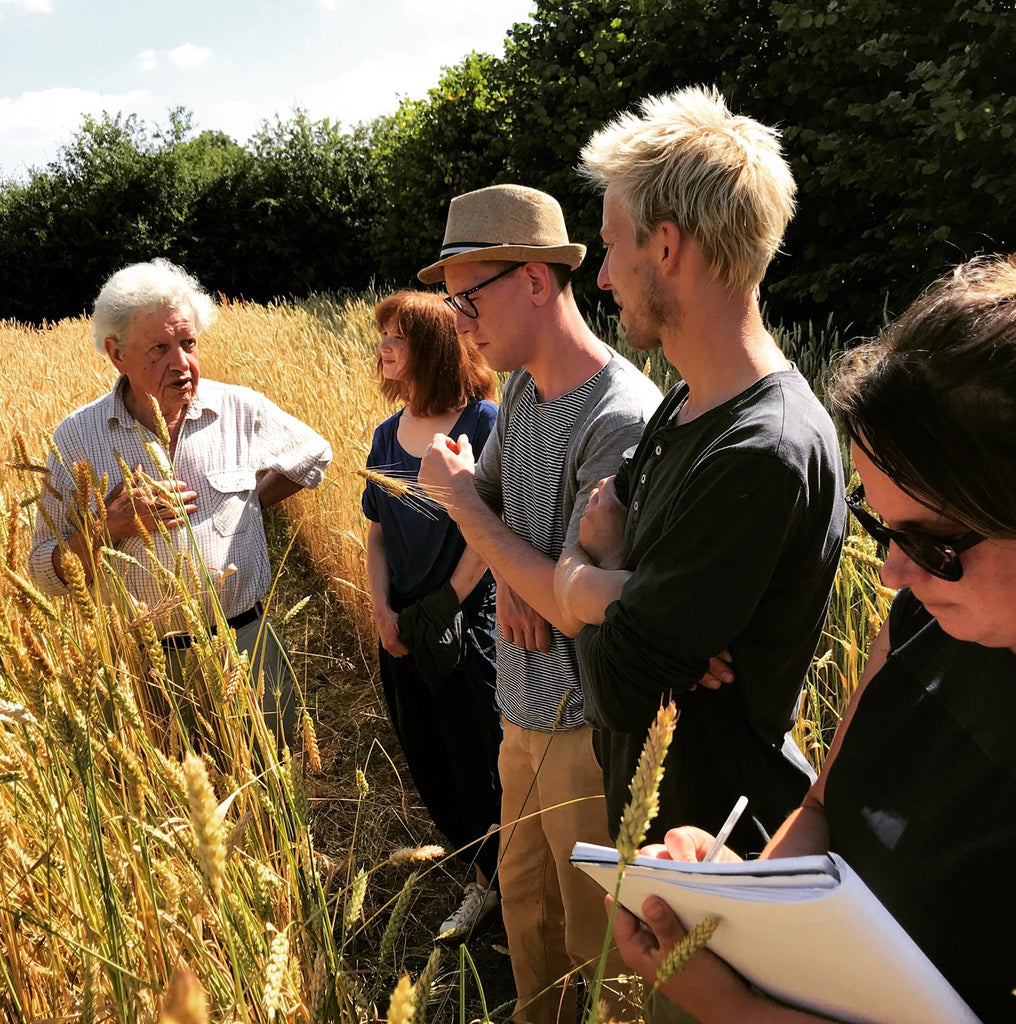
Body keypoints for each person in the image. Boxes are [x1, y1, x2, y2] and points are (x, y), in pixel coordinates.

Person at [610, 247, 1016, 1023]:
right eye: (881, 528)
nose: (895, 576)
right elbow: (823, 811)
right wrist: (739, 896)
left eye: (933, 545)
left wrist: (732, 1007)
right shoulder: (922, 622)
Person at [556, 86, 846, 854]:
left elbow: (617, 687)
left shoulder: (761, 451)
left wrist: (588, 578)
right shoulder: (682, 403)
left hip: (715, 855)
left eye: (613, 245)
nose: (605, 276)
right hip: (659, 841)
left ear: (667, 246)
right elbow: (592, 559)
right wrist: (613, 588)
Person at [417, 184, 663, 1024]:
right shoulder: (520, 391)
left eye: (469, 296)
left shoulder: (620, 416)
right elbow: (501, 526)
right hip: (517, 710)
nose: (460, 321)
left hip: (583, 730)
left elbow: (570, 602)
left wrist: (490, 535)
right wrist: (513, 564)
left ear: (533, 279)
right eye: (452, 302)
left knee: (598, 946)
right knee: (527, 919)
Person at [28, 258, 332, 740]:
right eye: (159, 348)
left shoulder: (238, 408)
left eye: (188, 343)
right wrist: (110, 527)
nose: (181, 363)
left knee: (269, 781)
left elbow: (313, 456)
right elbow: (43, 571)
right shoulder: (77, 437)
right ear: (116, 353)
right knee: (173, 805)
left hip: (246, 647)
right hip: (144, 668)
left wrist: (249, 502)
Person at [361, 290, 503, 941]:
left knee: (478, 755)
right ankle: (479, 859)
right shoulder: (385, 436)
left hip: (467, 627)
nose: (384, 348)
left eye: (397, 337)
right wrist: (382, 611)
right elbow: (377, 535)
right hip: (404, 630)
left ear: (435, 347)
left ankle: (494, 883)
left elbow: (489, 529)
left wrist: (447, 600)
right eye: (382, 337)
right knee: (426, 754)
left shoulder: (484, 422)